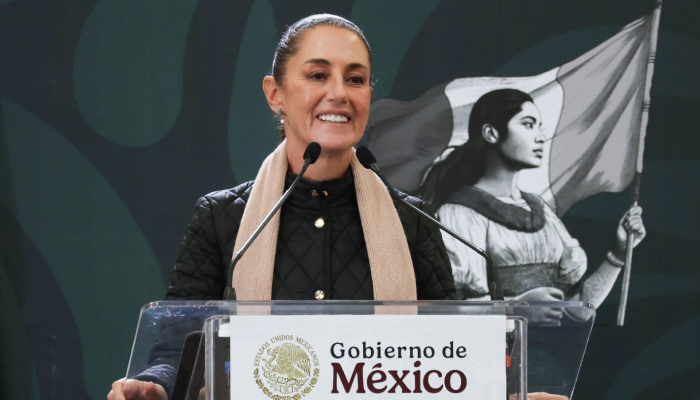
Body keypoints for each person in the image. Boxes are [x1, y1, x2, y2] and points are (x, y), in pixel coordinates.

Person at [108, 14, 456, 400]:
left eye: (355, 79)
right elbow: (179, 350)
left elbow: (457, 356)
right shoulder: (221, 219)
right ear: (275, 95)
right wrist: (154, 385)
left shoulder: (413, 221)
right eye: (318, 75)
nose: (339, 92)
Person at [421, 89, 646, 311]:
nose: (540, 136)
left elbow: (577, 309)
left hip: (549, 347)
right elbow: (450, 309)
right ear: (491, 133)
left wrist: (618, 252)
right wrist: (519, 308)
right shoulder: (459, 214)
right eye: (528, 124)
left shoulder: (542, 212)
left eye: (539, 126)